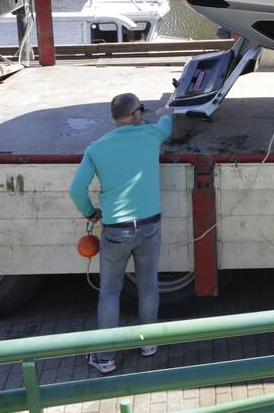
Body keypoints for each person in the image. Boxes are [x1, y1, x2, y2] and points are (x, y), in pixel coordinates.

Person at [69, 94, 173, 374]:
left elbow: (76, 190)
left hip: (116, 231)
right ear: (137, 114)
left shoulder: (97, 148)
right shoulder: (151, 134)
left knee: (110, 293)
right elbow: (166, 124)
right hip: (149, 226)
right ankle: (148, 344)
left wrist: (91, 213)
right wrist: (166, 111)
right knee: (148, 286)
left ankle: (105, 359)